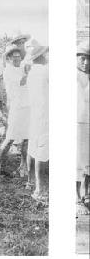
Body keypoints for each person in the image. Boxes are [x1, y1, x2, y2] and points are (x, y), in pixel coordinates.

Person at [0, 45, 30, 178]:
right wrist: (30, 72)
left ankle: (23, 167)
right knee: (10, 138)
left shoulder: (22, 67)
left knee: (26, 139)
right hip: (16, 107)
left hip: (27, 106)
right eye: (14, 57)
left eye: (19, 56)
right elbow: (23, 82)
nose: (17, 59)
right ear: (9, 58)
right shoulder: (8, 71)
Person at [25, 44, 49, 202]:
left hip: (34, 113)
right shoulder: (46, 71)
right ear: (42, 55)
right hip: (45, 114)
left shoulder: (32, 72)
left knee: (32, 147)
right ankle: (39, 190)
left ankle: (30, 182)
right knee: (42, 150)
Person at [76, 39, 90, 215]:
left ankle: (86, 194)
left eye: (89, 59)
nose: (86, 63)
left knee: (87, 161)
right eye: (82, 58)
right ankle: (76, 199)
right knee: (76, 161)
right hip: (76, 123)